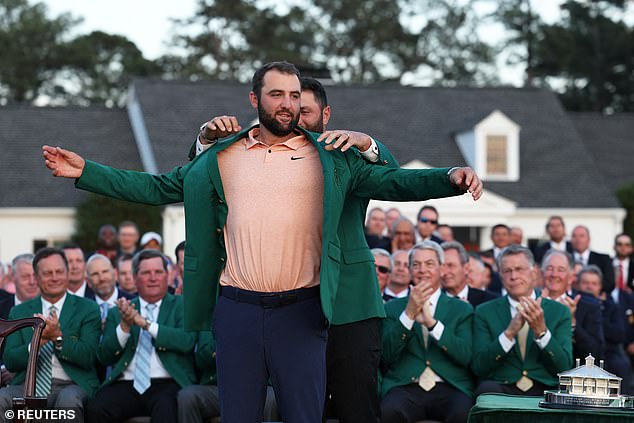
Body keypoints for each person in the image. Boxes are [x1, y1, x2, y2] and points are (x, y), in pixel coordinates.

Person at [43, 61, 483, 422]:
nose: (287, 104)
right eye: (277, 95)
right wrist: (86, 171)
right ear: (255, 99)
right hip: (237, 310)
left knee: (304, 415)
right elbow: (157, 187)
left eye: (294, 96)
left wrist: (449, 177)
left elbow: (394, 181)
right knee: (239, 416)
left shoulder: (332, 157)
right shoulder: (222, 155)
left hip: (303, 309)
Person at [86, 249, 196, 422]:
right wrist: (124, 327)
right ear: (135, 278)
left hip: (167, 383)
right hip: (126, 383)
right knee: (96, 409)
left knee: (167, 409)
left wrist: (146, 325)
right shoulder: (119, 311)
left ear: (168, 276)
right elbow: (104, 357)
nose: (153, 278)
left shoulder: (181, 305)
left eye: (158, 272)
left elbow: (186, 342)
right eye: (146, 273)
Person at [0, 247, 101, 421]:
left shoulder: (88, 308)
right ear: (37, 278)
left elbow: (88, 357)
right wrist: (38, 343)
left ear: (67, 273)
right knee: (2, 398)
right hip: (28, 384)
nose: (54, 278)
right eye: (47, 273)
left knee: (68, 401)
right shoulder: (19, 311)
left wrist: (57, 338)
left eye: (59, 271)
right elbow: (10, 360)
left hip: (72, 384)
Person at [381, 241, 474, 423]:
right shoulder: (392, 308)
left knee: (463, 414)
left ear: (441, 268)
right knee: (388, 411)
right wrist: (408, 315)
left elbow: (465, 355)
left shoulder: (461, 309)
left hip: (449, 385)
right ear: (409, 270)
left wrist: (432, 324)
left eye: (429, 264)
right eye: (416, 265)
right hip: (406, 386)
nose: (422, 270)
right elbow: (387, 355)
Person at [472, 245, 572, 397]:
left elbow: (564, 367)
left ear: (534, 273)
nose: (514, 276)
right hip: (502, 386)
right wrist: (508, 334)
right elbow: (479, 367)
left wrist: (542, 333)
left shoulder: (559, 311)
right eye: (507, 271)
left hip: (544, 387)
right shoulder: (484, 312)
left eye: (520, 269)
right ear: (500, 276)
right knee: (485, 390)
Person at [578, 265, 633, 394]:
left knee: (621, 366)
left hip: (610, 353)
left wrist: (597, 313)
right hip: (584, 353)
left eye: (594, 283)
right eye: (585, 283)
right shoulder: (574, 304)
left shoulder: (609, 305)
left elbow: (619, 334)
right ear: (577, 284)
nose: (589, 287)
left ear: (600, 286)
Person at [541, 249, 604, 360]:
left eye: (561, 270)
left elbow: (594, 353)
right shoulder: (529, 302)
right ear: (542, 273)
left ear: (570, 277)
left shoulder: (589, 306)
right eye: (549, 268)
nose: (554, 274)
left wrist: (573, 322)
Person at [440, 241, 498, 308]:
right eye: (441, 266)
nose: (445, 272)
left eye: (450, 265)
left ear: (466, 268)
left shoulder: (490, 301)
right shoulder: (432, 300)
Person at [86, 253, 135, 324]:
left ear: (115, 274)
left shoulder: (133, 303)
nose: (102, 278)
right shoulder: (83, 308)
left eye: (105, 271)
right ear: (88, 281)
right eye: (95, 274)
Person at [570, 225, 614, 293]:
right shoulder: (565, 259)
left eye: (581, 236)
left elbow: (610, 283)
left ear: (589, 239)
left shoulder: (603, 259)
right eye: (574, 236)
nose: (578, 239)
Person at [0, 253, 39, 319]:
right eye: (25, 277)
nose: (32, 282)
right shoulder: (1, 309)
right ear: (13, 277)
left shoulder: (52, 309)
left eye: (35, 276)